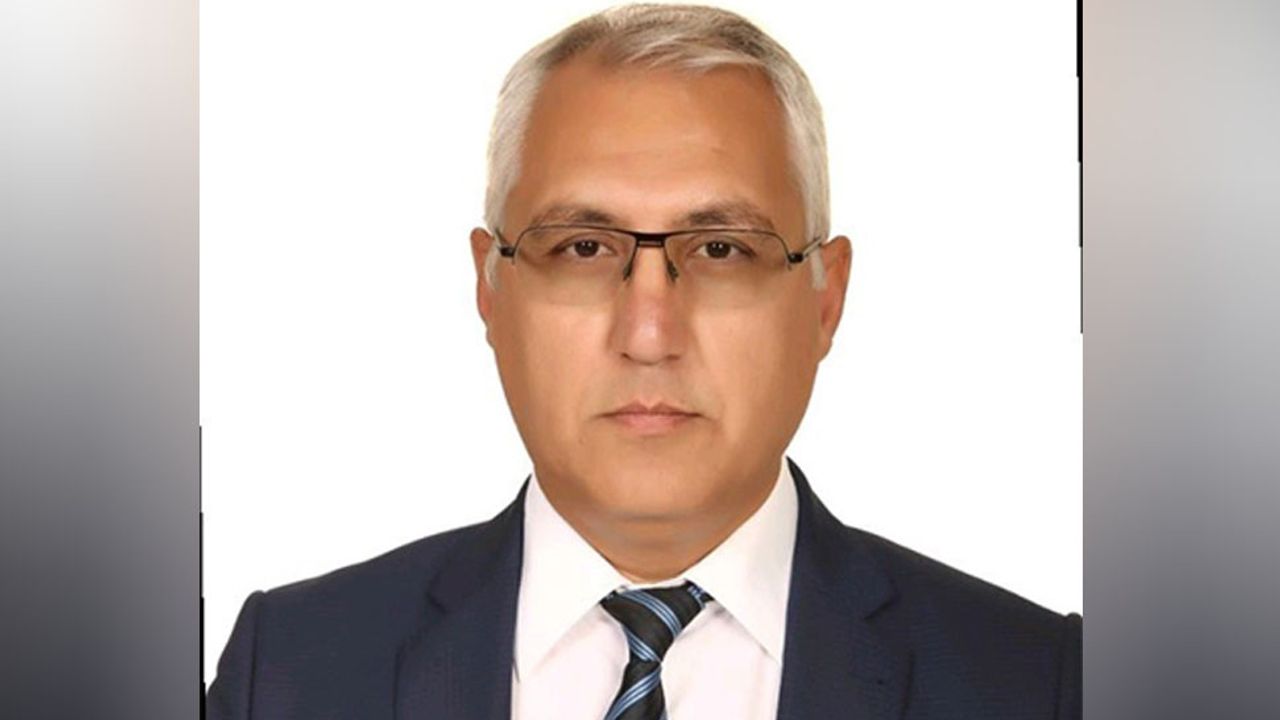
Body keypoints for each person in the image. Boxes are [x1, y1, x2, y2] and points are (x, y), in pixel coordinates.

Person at [206, 4, 1082, 719]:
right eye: (583, 247)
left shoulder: (1040, 684)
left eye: (722, 249)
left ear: (826, 296)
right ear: (490, 287)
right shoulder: (287, 674)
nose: (650, 332)